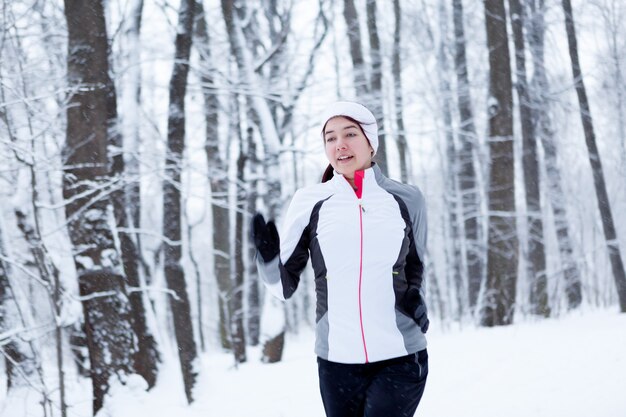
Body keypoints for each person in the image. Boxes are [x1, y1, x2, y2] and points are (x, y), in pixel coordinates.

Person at [252, 101, 429, 417]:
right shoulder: (310, 202)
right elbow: (283, 287)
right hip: (336, 360)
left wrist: (414, 296)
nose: (340, 145)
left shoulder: (406, 198)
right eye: (330, 138)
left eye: (350, 134)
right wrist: (267, 260)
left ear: (370, 142)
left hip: (401, 353)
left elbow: (415, 263)